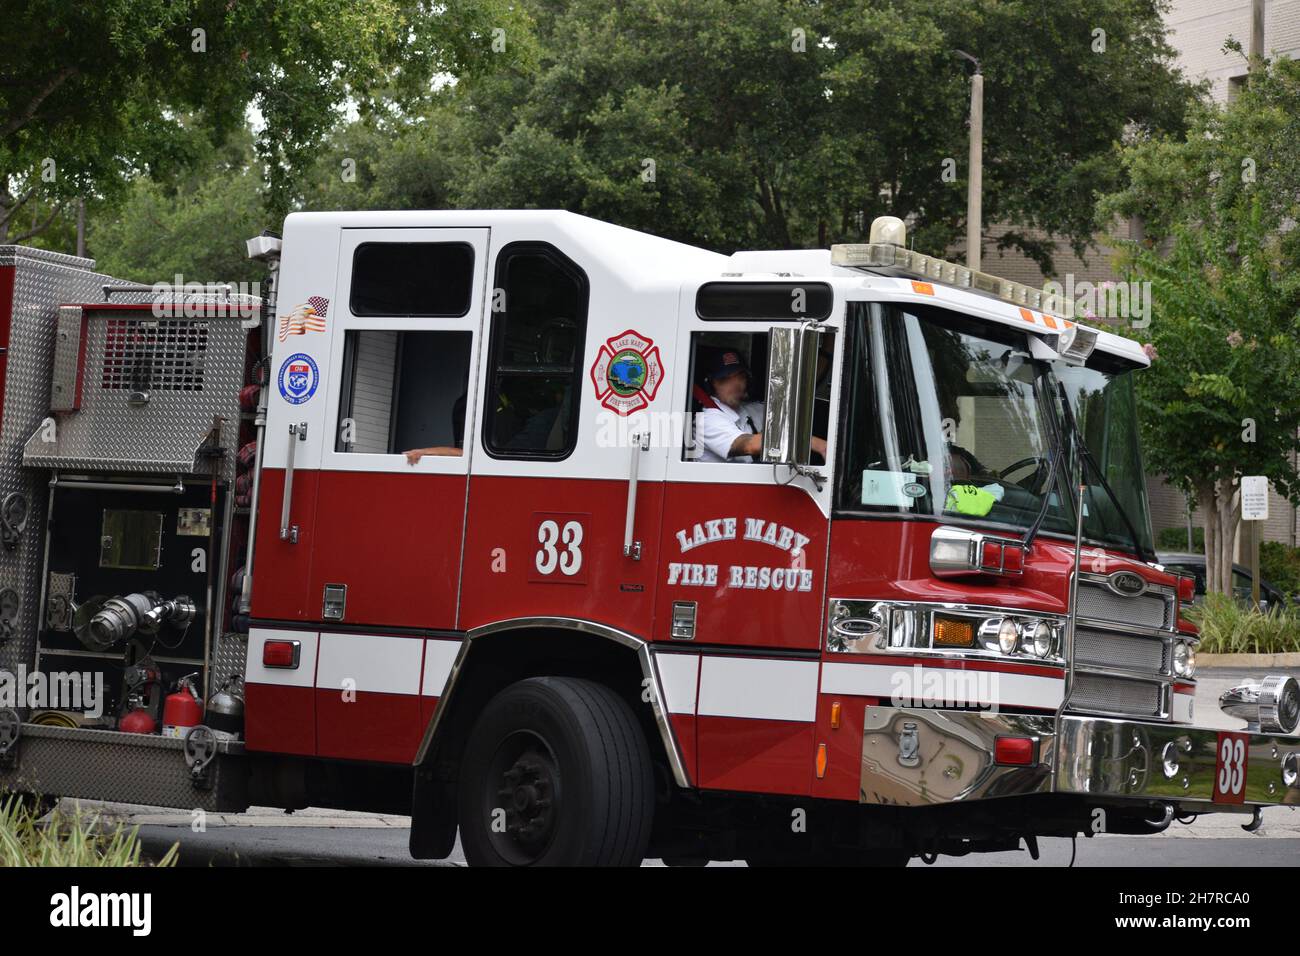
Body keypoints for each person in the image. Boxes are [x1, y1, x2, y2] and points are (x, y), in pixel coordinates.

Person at [695, 350, 826, 463]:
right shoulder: (706, 420)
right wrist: (817, 444)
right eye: (725, 379)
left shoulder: (754, 410)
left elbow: (800, 393)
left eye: (740, 377)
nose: (735, 384)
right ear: (711, 385)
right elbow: (748, 445)